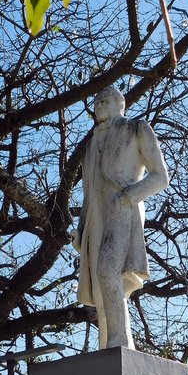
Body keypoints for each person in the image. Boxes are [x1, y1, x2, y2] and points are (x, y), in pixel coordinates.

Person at [70, 86, 169, 349]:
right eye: (96, 102)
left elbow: (160, 176)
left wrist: (128, 196)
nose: (98, 105)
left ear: (120, 104)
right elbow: (88, 194)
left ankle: (119, 343)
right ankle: (109, 346)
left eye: (104, 101)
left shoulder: (136, 128)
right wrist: (81, 230)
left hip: (123, 208)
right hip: (95, 216)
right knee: (100, 286)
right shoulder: (90, 145)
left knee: (108, 270)